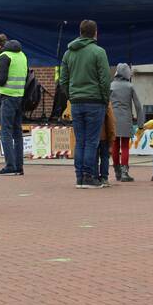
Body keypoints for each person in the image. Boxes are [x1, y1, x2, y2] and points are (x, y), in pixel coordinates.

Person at [59, 19, 111, 189]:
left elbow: (63, 80)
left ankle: (80, 177)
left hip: (76, 102)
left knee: (80, 141)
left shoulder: (68, 53)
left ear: (80, 32)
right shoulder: (99, 52)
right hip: (95, 101)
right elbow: (105, 79)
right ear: (95, 33)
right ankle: (89, 176)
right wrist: (105, 99)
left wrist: (72, 96)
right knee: (91, 141)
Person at [0, 34, 28, 176]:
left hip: (7, 97)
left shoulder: (4, 56)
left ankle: (10, 165)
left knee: (5, 131)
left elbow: (1, 79)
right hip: (19, 96)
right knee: (18, 133)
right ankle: (19, 166)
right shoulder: (22, 55)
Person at [110, 63, 142, 182]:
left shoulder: (111, 86)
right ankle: (125, 173)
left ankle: (117, 171)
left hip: (113, 119)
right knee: (124, 147)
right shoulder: (130, 86)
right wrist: (140, 123)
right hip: (126, 119)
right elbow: (138, 106)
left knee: (115, 145)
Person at [97, 103, 117, 187]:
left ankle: (94, 177)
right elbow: (111, 121)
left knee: (94, 157)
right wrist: (111, 137)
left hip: (91, 136)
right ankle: (104, 178)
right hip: (103, 135)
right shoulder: (106, 102)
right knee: (105, 157)